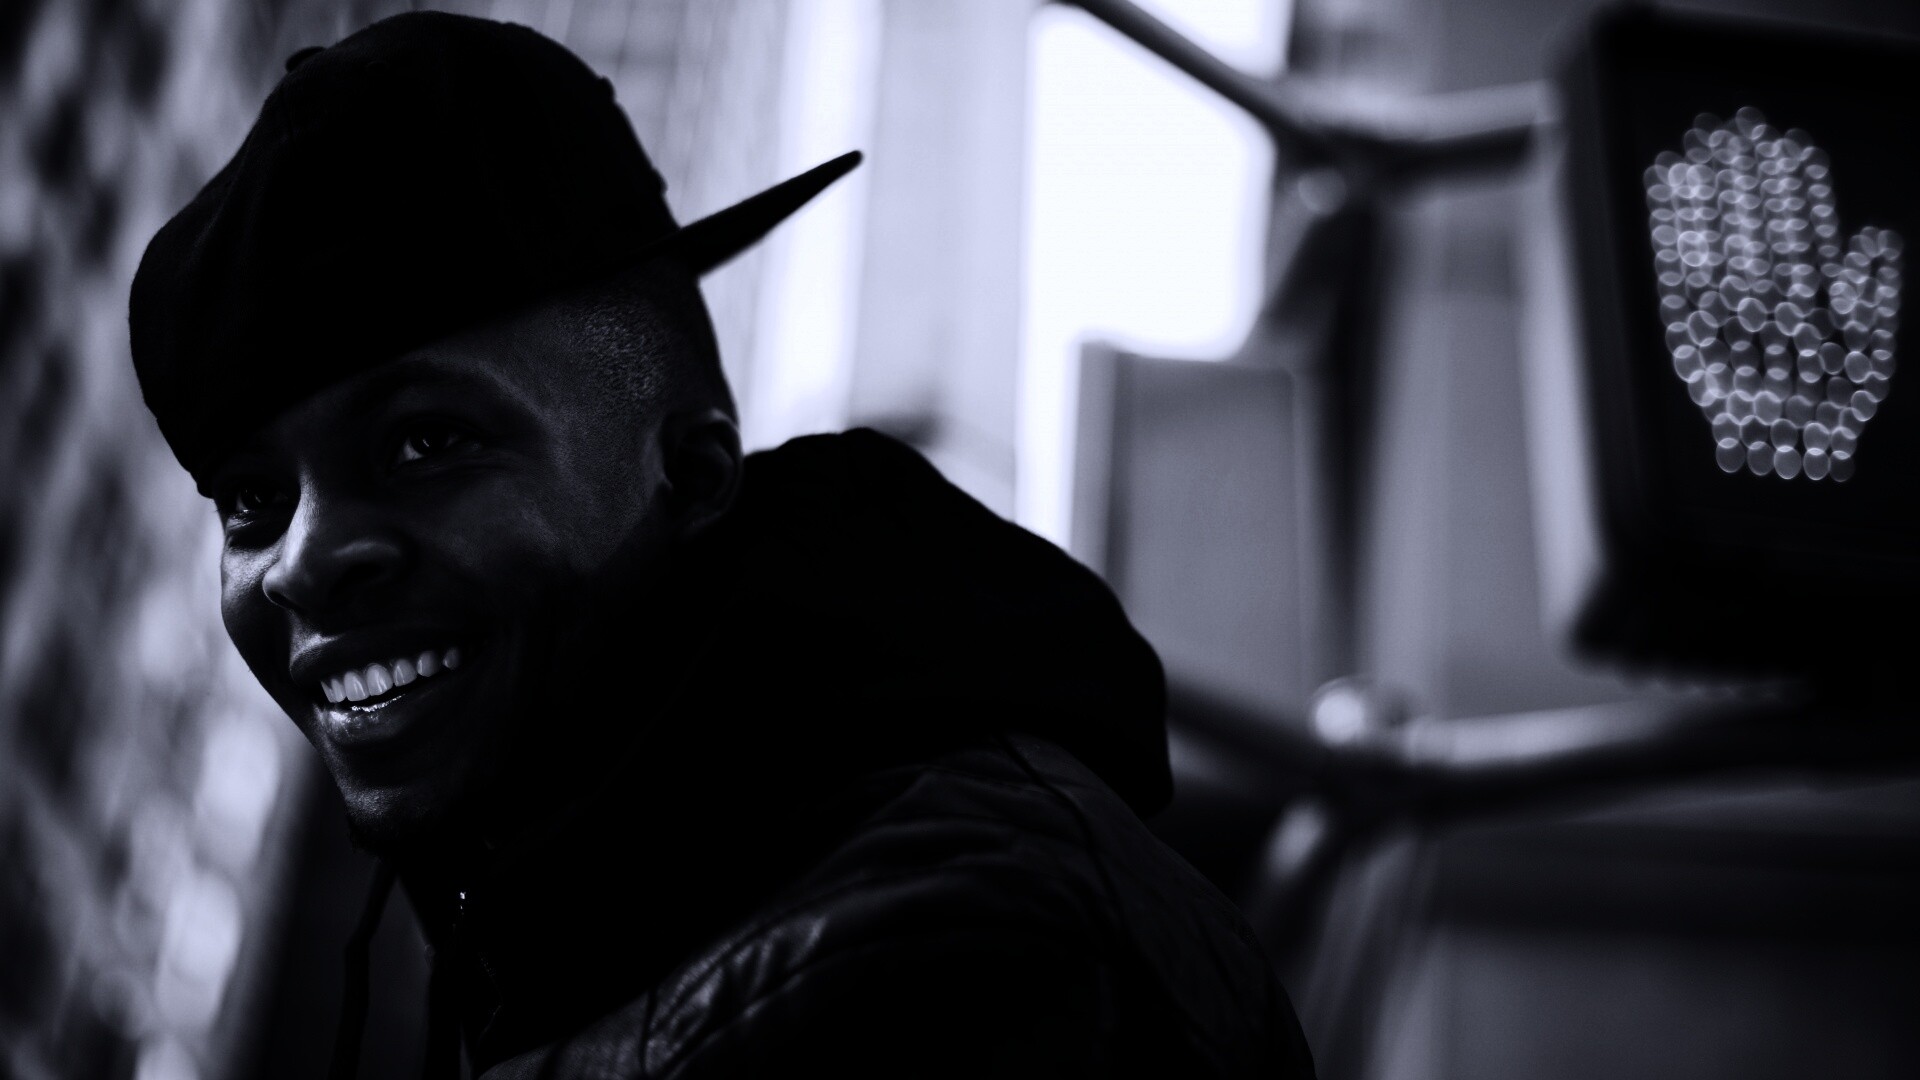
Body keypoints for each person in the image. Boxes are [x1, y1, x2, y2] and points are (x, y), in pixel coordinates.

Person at [128, 11, 1316, 1079]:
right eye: (251, 501)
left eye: (426, 442)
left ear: (693, 470)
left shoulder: (921, 979)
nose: (301, 561)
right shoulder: (605, 916)